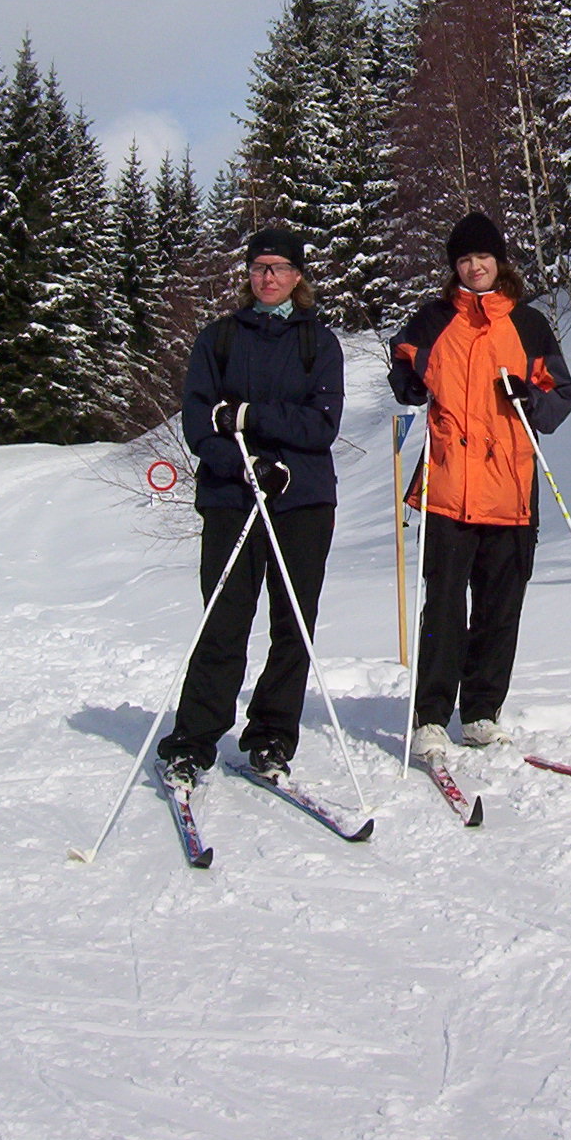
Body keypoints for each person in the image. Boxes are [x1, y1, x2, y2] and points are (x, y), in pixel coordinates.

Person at [157, 228, 344, 789]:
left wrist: (248, 417)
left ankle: (270, 737)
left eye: (280, 267)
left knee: (294, 624)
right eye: (260, 266)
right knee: (224, 617)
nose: (268, 277)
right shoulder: (218, 339)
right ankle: (192, 741)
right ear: (248, 273)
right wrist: (242, 463)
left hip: (303, 499)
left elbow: (321, 425)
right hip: (230, 496)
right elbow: (198, 422)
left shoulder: (320, 343)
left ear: (298, 277)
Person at [389, 211, 571, 757]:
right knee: (443, 608)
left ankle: (481, 712)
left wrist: (532, 399)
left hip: (512, 491)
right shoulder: (433, 320)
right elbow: (403, 363)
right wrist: (408, 383)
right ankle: (430, 716)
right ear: (455, 267)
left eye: (483, 258)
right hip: (449, 488)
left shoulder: (529, 324)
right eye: (465, 260)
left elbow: (561, 396)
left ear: (500, 263)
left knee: (500, 609)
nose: (474, 267)